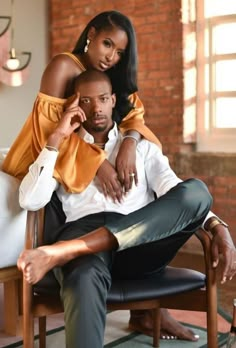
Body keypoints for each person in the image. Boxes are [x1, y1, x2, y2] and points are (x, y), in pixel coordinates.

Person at [17, 70, 236, 348]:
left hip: (141, 245)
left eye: (103, 99)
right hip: (85, 243)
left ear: (113, 100)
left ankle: (66, 250)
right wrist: (58, 135)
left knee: (196, 191)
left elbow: (176, 191)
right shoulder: (64, 150)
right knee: (82, 276)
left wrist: (218, 226)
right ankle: (74, 250)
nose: (96, 108)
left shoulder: (141, 147)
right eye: (86, 101)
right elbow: (30, 200)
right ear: (75, 104)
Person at [2, 10, 161, 201]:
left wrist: (129, 144)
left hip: (84, 158)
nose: (111, 57)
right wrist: (97, 164)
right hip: (40, 158)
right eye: (107, 44)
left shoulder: (112, 74)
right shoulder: (63, 66)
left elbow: (134, 115)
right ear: (91, 35)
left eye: (119, 53)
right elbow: (47, 130)